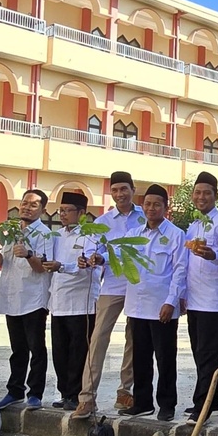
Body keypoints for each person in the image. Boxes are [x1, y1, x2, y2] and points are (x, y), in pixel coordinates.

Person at [75, 171, 143, 420]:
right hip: (112, 286)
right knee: (98, 339)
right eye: (114, 190)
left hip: (138, 287)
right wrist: (94, 258)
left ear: (133, 189)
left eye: (124, 189)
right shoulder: (103, 222)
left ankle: (125, 392)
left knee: (134, 340)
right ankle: (87, 398)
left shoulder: (145, 218)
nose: (119, 194)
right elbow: (94, 250)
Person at [122, 184, 187, 421]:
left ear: (165, 208)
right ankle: (142, 402)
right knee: (140, 357)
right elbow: (120, 262)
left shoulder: (176, 235)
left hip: (162, 308)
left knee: (165, 358)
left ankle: (167, 405)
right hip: (137, 306)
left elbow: (180, 271)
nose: (151, 208)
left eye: (157, 204)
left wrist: (172, 301)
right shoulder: (133, 235)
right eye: (147, 204)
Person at [180, 172, 218, 422]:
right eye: (197, 192)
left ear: (216, 195)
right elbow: (185, 264)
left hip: (215, 300)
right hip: (195, 299)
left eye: (206, 192)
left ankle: (201, 405)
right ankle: (215, 401)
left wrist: (213, 255)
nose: (201, 197)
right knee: (198, 351)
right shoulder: (193, 226)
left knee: (208, 354)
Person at [0, 190, 54, 410]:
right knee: (17, 349)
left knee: (36, 348)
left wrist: (29, 255)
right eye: (24, 203)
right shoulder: (11, 232)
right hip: (12, 297)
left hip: (33, 298)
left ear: (43, 210)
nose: (27, 207)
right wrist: (0, 260)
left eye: (33, 204)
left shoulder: (45, 234)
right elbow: (10, 265)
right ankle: (14, 390)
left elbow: (44, 268)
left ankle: (35, 393)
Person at [46, 191, 99, 409]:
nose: (63, 214)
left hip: (81, 303)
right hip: (58, 302)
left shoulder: (89, 236)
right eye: (61, 210)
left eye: (68, 210)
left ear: (81, 213)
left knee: (79, 351)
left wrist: (62, 267)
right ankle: (65, 393)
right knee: (60, 350)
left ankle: (78, 394)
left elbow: (85, 266)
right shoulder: (57, 236)